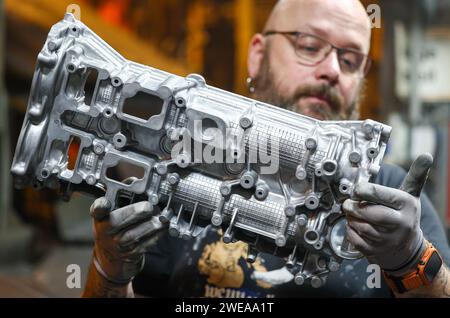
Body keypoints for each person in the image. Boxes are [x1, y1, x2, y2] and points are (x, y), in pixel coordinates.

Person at [82, 0, 450, 298]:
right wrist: (110, 271)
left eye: (351, 60)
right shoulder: (178, 174)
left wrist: (411, 260)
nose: (333, 70)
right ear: (257, 55)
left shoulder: (389, 197)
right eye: (309, 46)